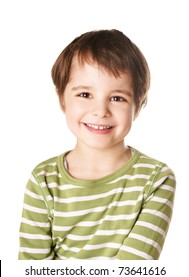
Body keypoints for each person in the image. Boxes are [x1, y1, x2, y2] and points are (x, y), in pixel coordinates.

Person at [18, 29, 176, 260]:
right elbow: (31, 269)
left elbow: (133, 269)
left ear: (139, 106)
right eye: (84, 94)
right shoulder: (43, 179)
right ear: (62, 99)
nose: (100, 111)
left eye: (117, 98)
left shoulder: (156, 178)